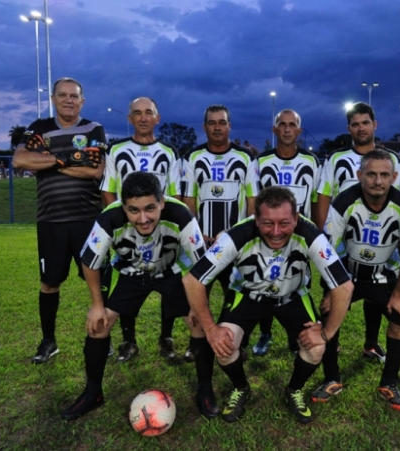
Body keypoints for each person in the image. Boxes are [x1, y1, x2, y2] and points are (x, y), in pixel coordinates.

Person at [182, 186, 354, 424]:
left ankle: (293, 390)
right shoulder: (238, 234)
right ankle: (241, 388)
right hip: (247, 295)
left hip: (292, 295)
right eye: (267, 223)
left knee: (315, 349)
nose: (275, 232)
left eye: (284, 223)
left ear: (296, 218)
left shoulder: (310, 233)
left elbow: (344, 287)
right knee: (224, 345)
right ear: (256, 219)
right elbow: (192, 280)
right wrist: (211, 330)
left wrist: (326, 334)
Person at [60, 172, 218, 420]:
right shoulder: (109, 217)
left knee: (197, 322)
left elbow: (202, 265)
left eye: (150, 208)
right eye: (133, 210)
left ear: (162, 202)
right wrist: (96, 305)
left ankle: (205, 390)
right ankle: (93, 393)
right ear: (123, 206)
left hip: (172, 270)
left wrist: (199, 306)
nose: (143, 219)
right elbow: (89, 262)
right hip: (129, 272)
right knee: (98, 325)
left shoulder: (180, 215)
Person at [310, 150, 400, 410]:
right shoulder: (343, 201)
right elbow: (328, 251)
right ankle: (331, 379)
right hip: (348, 276)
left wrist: (399, 293)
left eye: (384, 175)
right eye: (371, 174)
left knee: (398, 317)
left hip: (386, 278)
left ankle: (390, 382)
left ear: (394, 176)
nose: (378, 181)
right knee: (328, 315)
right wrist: (331, 290)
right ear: (359, 175)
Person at [12, 77, 106, 364]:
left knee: (100, 282)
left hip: (88, 220)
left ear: (82, 101)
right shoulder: (40, 128)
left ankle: (105, 336)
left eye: (74, 96)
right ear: (53, 98)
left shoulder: (93, 128)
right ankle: (48, 341)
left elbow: (95, 171)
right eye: (62, 95)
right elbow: (20, 161)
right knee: (49, 283)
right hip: (50, 220)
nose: (68, 100)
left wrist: (50, 159)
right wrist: (70, 159)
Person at [100, 96, 190, 363]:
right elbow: (108, 191)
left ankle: (166, 337)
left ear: (157, 118)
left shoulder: (169, 152)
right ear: (130, 119)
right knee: (128, 281)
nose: (142, 117)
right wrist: (121, 226)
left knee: (169, 285)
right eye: (137, 113)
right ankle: (128, 341)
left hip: (163, 236)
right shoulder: (116, 151)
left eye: (148, 112)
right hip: (128, 233)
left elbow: (174, 197)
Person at [316, 102, 400, 363]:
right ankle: (333, 343)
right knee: (333, 296)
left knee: (377, 294)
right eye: (355, 124)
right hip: (343, 241)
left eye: (365, 122)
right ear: (349, 128)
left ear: (374, 125)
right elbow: (324, 197)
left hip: (380, 240)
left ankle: (371, 344)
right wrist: (324, 238)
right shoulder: (336, 159)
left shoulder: (392, 159)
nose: (361, 128)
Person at [245, 109, 322, 357]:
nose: (287, 129)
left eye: (292, 125)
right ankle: (265, 333)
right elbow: (254, 199)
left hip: (299, 237)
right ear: (274, 129)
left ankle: (294, 334)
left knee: (298, 282)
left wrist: (316, 233)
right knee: (266, 281)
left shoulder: (312, 162)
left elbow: (315, 200)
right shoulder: (261, 162)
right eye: (282, 124)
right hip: (269, 234)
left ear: (299, 131)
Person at [181, 105, 258, 324]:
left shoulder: (245, 157)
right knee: (197, 293)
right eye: (212, 123)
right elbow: (189, 200)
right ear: (204, 127)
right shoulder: (192, 157)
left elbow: (253, 199)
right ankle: (198, 342)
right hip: (203, 241)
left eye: (222, 122)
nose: (217, 127)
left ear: (229, 126)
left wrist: (243, 234)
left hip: (234, 242)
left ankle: (235, 340)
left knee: (234, 295)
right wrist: (196, 234)